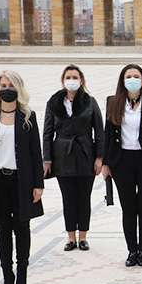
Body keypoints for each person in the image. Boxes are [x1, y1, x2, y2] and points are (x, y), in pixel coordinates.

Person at [0, 71, 44, 284]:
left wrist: (38, 184)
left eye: (11, 85)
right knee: (2, 230)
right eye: (3, 85)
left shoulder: (28, 116)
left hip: (21, 182)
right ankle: (7, 275)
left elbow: (35, 152)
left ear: (18, 88)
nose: (7, 89)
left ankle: (22, 274)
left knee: (22, 228)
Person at [101, 64, 142, 268]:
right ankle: (132, 250)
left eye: (136, 76)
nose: (132, 79)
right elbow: (107, 133)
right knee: (128, 208)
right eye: (128, 76)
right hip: (122, 162)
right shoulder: (113, 101)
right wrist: (105, 162)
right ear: (123, 80)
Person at [42, 65, 104, 252]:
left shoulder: (90, 102)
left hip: (85, 154)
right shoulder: (54, 102)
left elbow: (99, 131)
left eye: (75, 77)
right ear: (63, 80)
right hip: (63, 156)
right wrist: (47, 159)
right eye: (68, 77)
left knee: (84, 197)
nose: (72, 80)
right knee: (68, 198)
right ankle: (70, 237)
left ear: (81, 80)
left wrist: (99, 157)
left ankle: (83, 236)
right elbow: (47, 132)